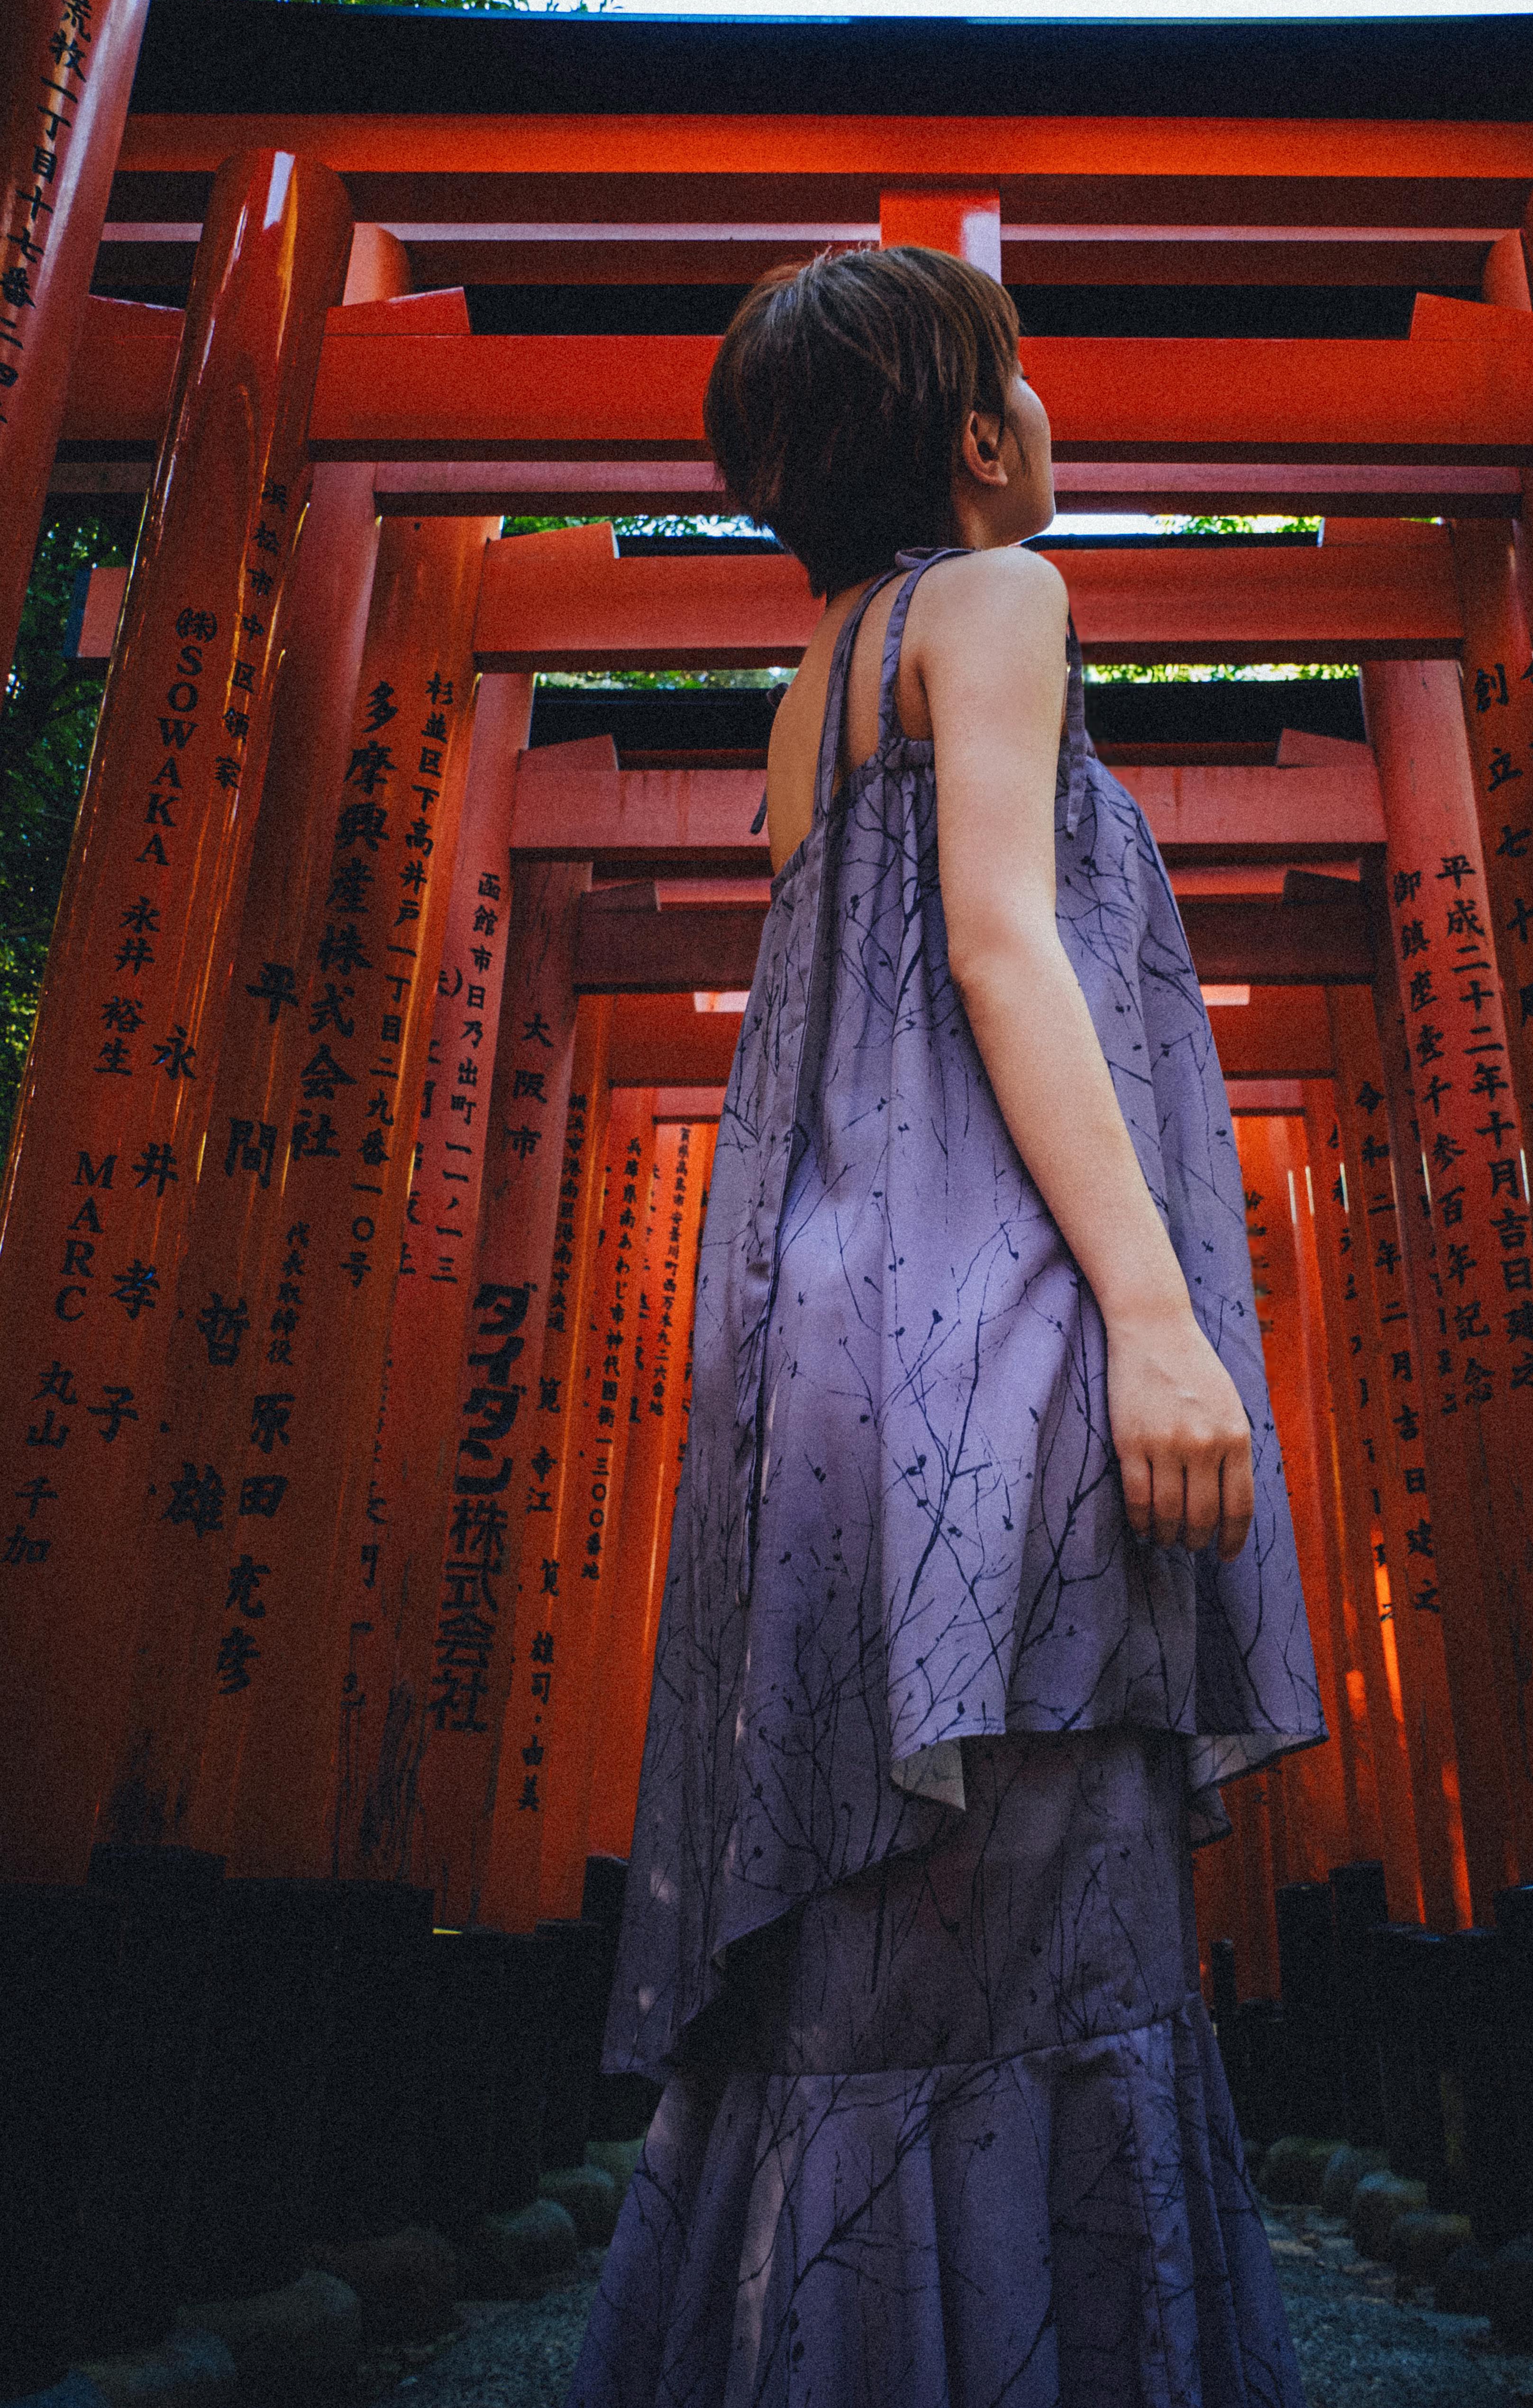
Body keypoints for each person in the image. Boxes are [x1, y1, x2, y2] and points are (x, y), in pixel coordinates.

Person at [570, 246, 1325, 2408]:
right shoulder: (999, 602)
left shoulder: (818, 678)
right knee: (1037, 1882)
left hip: (827, 1339)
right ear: (985, 441)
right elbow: (1000, 947)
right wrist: (1158, 1316)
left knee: (871, 1939)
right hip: (986, 1320)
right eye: (1024, 382)